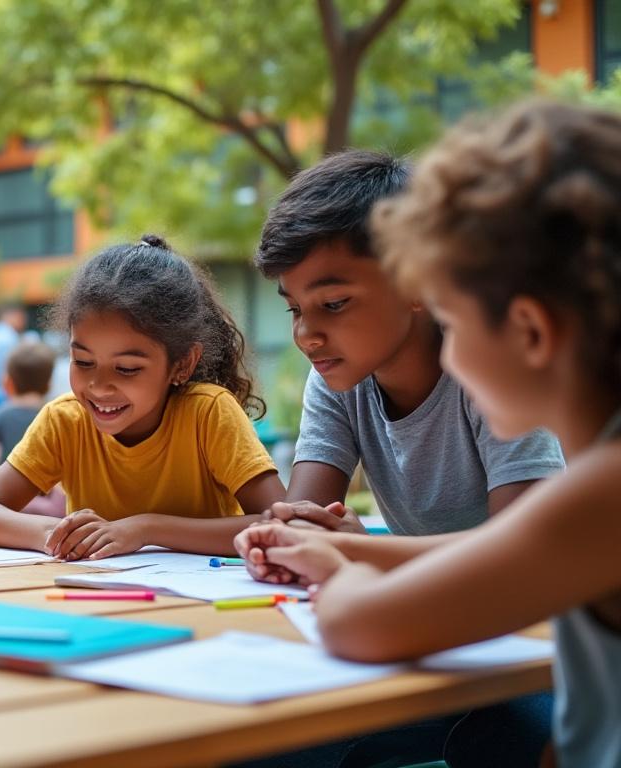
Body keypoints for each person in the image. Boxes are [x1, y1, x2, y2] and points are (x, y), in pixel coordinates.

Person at [239, 100, 621, 768]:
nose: (449, 352)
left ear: (530, 331)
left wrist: (343, 571)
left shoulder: (605, 493)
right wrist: (342, 549)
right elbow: (511, 554)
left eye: (453, 319)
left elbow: (356, 624)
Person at [253, 149, 562, 537]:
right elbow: (304, 524)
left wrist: (361, 549)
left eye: (333, 304)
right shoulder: (339, 379)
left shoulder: (493, 368)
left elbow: (522, 547)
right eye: (294, 309)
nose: (305, 335)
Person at [0, 235, 284, 559]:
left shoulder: (208, 413)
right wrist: (57, 533)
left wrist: (147, 529)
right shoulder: (65, 420)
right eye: (83, 362)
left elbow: (280, 525)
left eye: (126, 369)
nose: (99, 386)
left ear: (182, 364)